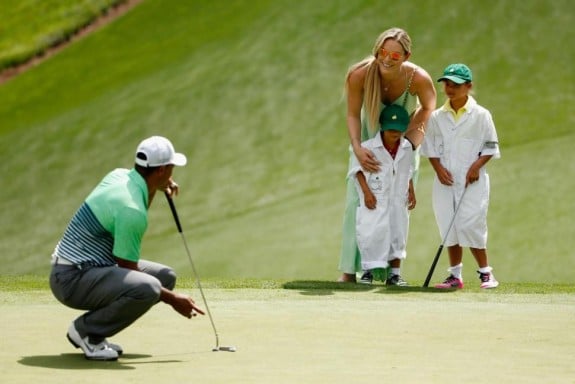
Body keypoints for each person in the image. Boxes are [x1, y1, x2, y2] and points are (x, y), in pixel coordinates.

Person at [49, 136, 205, 361]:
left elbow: (138, 204)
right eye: (171, 168)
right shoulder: (131, 210)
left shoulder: (120, 176)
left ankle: (97, 331)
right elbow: (127, 265)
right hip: (71, 279)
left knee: (165, 277)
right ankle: (87, 332)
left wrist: (157, 187)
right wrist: (173, 300)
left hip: (89, 268)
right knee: (149, 287)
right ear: (161, 170)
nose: (172, 173)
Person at [338, 27, 436, 283]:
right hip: (366, 147)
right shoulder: (359, 75)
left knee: (396, 207)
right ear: (377, 50)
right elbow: (351, 114)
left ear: (406, 56)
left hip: (401, 150)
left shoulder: (417, 78)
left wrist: (412, 142)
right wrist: (358, 148)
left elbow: (428, 107)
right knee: (356, 206)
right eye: (384, 52)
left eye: (395, 55)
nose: (387, 59)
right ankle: (349, 273)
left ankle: (391, 272)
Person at [420, 63, 500, 289]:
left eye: (455, 84)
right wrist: (438, 168)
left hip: (472, 181)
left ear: (469, 86)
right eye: (447, 83)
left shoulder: (482, 115)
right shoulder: (436, 116)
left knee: (471, 223)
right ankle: (455, 276)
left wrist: (476, 167)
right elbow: (430, 147)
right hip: (444, 180)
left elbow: (490, 147)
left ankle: (486, 273)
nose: (449, 88)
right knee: (448, 225)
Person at [349, 104, 416, 285]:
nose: (395, 133)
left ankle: (395, 274)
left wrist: (411, 190)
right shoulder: (368, 147)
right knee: (370, 233)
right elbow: (357, 171)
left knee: (398, 233)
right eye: (391, 129)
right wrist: (367, 192)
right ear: (383, 127)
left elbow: (407, 170)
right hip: (375, 198)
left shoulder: (407, 147)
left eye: (399, 130)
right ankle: (367, 272)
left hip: (398, 198)